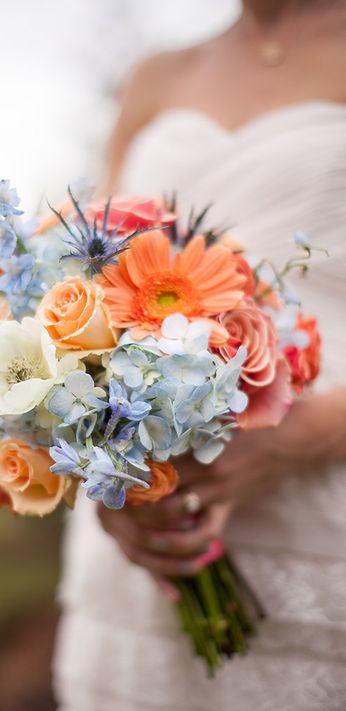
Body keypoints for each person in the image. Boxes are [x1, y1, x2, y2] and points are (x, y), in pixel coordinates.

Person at [53, 1, 346, 709]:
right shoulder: (153, 77)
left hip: (325, 505)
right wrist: (104, 477)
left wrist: (306, 436)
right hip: (150, 527)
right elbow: (90, 281)